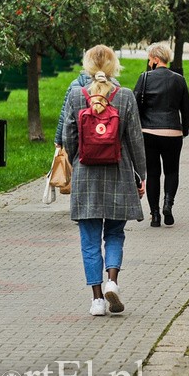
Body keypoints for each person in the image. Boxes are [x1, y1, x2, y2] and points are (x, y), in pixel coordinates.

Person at [62, 45, 146, 317]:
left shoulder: (76, 95)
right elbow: (135, 140)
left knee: (88, 240)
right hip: (119, 174)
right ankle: (113, 280)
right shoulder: (125, 97)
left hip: (86, 175)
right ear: (114, 66)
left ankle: (97, 300)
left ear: (87, 66)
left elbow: (68, 138)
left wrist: (78, 161)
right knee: (114, 233)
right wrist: (140, 175)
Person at [133, 43, 189, 228]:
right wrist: (185, 129)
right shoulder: (179, 80)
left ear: (155, 59)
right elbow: (187, 108)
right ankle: (168, 203)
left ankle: (155, 214)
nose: (149, 62)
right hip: (173, 132)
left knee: (153, 173)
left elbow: (135, 106)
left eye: (150, 59)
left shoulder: (144, 78)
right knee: (172, 171)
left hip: (148, 133)